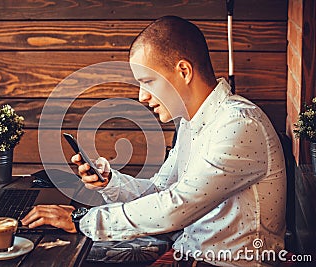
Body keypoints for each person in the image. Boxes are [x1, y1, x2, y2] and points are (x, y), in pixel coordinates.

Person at [21, 16, 286, 266]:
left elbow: (175, 208)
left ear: (183, 71)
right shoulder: (190, 123)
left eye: (147, 81)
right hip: (187, 254)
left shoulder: (239, 125)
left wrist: (81, 220)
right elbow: (160, 192)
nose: (141, 96)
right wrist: (111, 182)